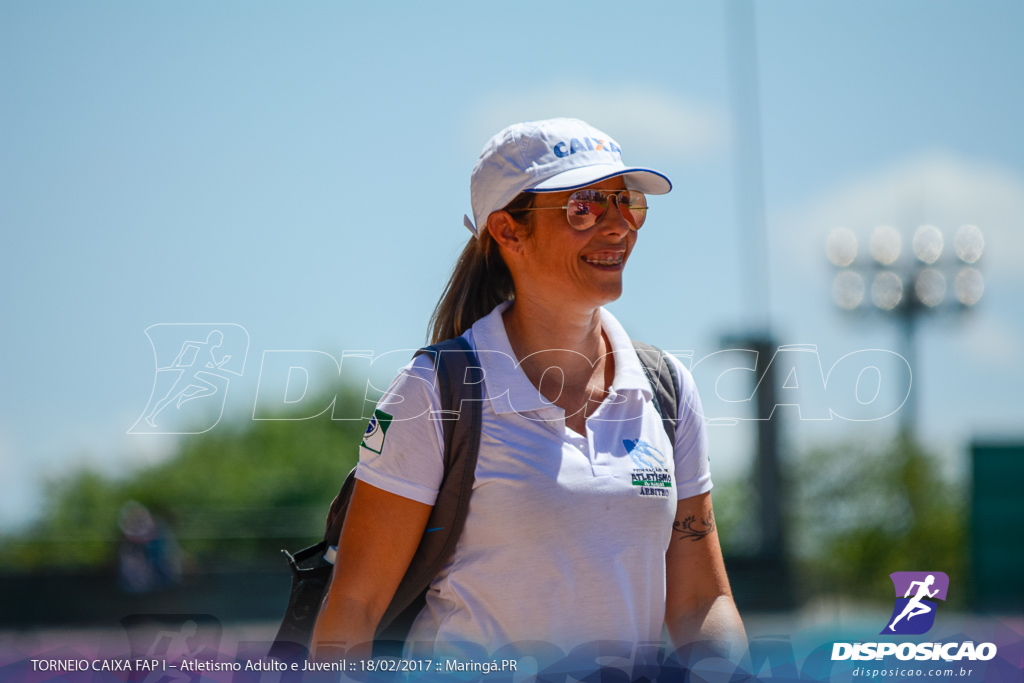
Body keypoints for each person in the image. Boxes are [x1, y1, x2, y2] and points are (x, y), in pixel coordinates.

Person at [311, 118, 745, 666]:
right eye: (584, 206)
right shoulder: (434, 391)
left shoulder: (667, 388)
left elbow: (702, 601)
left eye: (626, 203)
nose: (617, 227)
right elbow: (355, 606)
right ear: (508, 231)